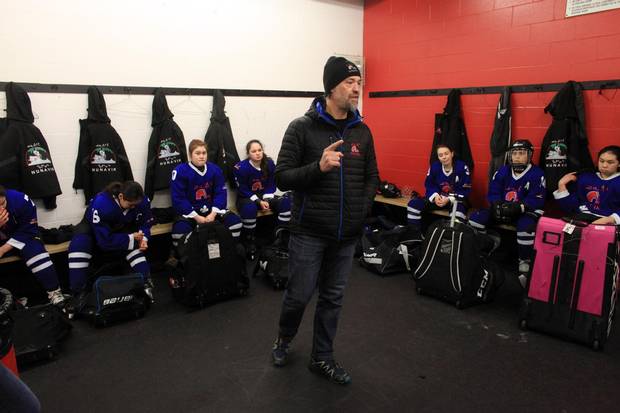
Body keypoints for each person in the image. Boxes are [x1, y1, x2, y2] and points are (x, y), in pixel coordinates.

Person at [271, 56, 378, 385]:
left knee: (332, 299)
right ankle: (284, 339)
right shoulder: (301, 128)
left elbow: (371, 177)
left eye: (359, 81)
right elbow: (282, 177)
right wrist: (318, 167)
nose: (357, 88)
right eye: (349, 82)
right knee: (299, 295)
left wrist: (360, 212)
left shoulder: (362, 131)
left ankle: (323, 357)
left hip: (346, 235)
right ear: (331, 88)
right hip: (309, 232)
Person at [67, 181, 154, 314]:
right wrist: (131, 238)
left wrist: (144, 238)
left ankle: (145, 283)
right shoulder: (102, 203)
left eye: (135, 205)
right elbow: (104, 241)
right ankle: (79, 293)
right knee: (78, 245)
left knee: (137, 247)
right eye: (130, 205)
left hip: (121, 229)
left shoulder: (141, 201)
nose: (133, 207)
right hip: (94, 231)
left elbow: (145, 224)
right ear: (120, 197)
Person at [469, 140, 546, 288]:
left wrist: (520, 207)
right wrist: (497, 204)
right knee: (476, 220)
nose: (517, 157)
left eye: (521, 153)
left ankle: (525, 261)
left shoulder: (537, 174)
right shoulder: (503, 170)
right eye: (514, 153)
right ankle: (488, 245)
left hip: (525, 211)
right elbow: (493, 192)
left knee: (526, 227)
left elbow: (538, 199)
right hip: (504, 208)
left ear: (529, 155)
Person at [169, 139, 242, 254]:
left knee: (235, 222)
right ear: (190, 155)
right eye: (197, 153)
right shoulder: (180, 171)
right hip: (191, 214)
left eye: (204, 153)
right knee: (179, 231)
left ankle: (229, 253)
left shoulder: (215, 169)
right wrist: (197, 217)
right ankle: (186, 260)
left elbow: (220, 193)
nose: (201, 156)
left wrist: (213, 214)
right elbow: (178, 198)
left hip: (211, 212)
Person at [0, 185, 66, 308]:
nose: (0, 209)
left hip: (22, 235)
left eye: (2, 204)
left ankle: (54, 293)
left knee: (36, 252)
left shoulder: (20, 199)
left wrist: (3, 249)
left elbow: (28, 230)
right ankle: (9, 300)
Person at [233, 139, 291, 257]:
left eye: (259, 150)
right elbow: (243, 189)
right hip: (247, 197)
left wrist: (267, 198)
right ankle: (249, 241)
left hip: (265, 196)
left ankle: (280, 238)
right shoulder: (240, 167)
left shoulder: (269, 163)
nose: (258, 153)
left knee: (286, 203)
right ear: (248, 153)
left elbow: (272, 183)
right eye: (254, 151)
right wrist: (258, 201)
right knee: (249, 209)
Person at [407, 144, 471, 228]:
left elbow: (466, 189)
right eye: (440, 155)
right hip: (438, 199)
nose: (444, 157)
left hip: (454, 200)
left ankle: (452, 238)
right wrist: (435, 196)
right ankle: (414, 234)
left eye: (446, 154)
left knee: (458, 213)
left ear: (452, 154)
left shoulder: (461, 166)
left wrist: (449, 199)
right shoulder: (435, 166)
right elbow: (429, 184)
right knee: (413, 204)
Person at [554, 145, 620, 225]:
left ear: (619, 164)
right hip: (581, 219)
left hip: (608, 224)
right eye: (601, 161)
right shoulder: (585, 178)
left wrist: (612, 219)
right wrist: (561, 185)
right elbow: (569, 207)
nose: (604, 165)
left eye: (610, 162)